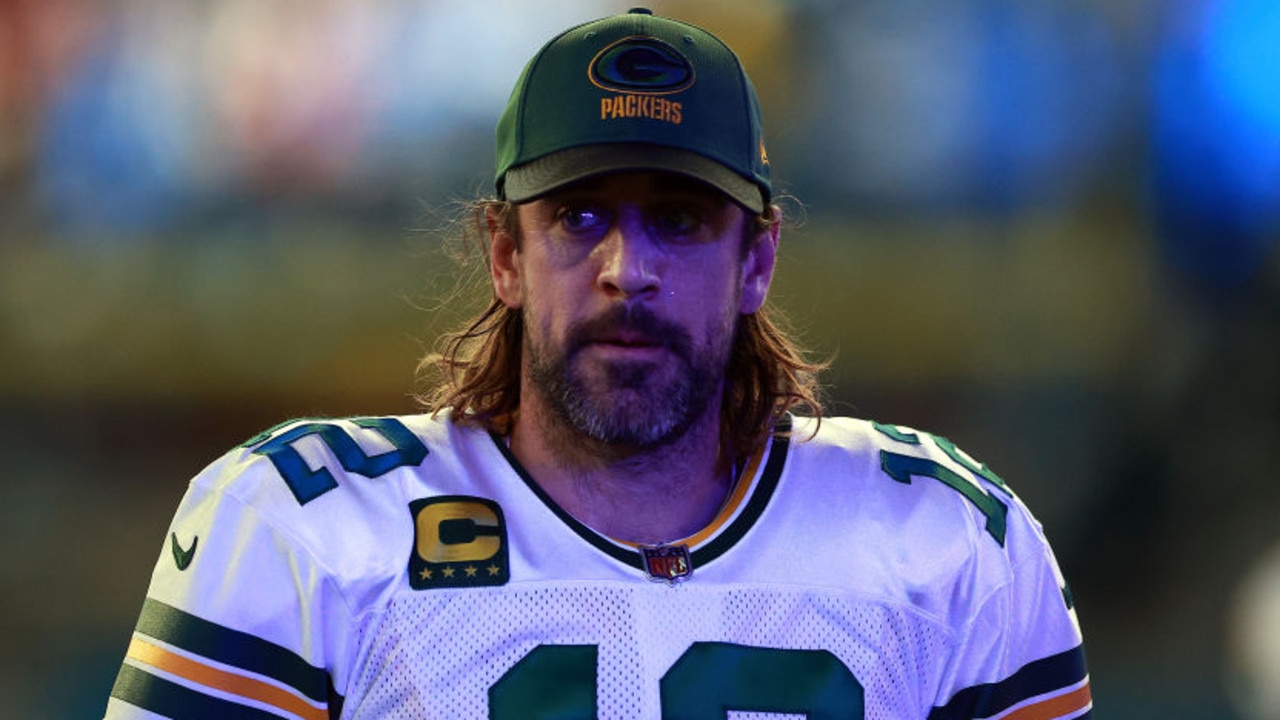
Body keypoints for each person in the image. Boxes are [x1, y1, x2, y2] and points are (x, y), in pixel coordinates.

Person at [104, 8, 1090, 719]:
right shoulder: (299, 531)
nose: (627, 271)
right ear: (503, 253)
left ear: (756, 259)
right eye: (579, 218)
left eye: (677, 219)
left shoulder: (949, 545)